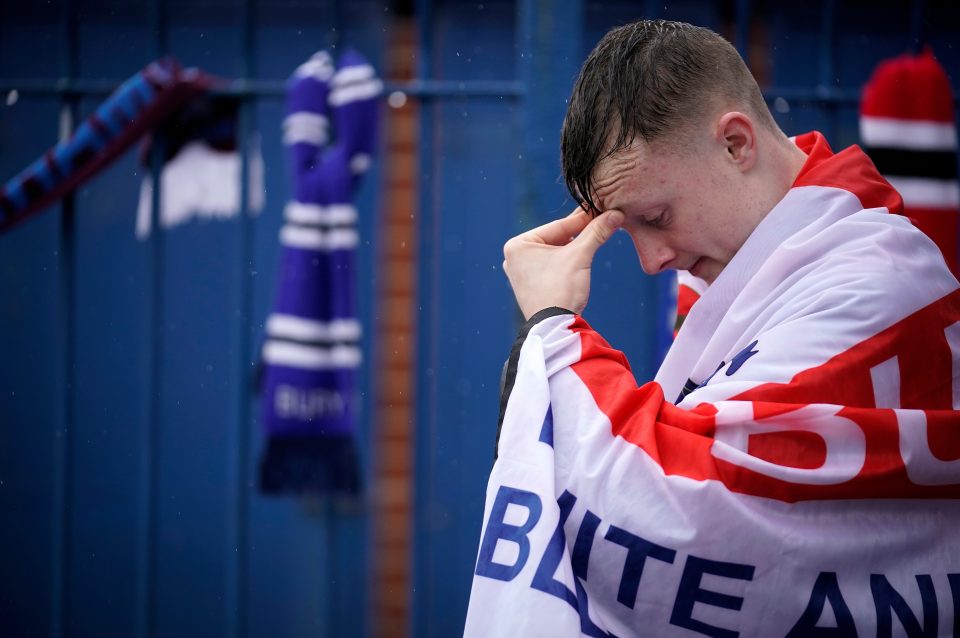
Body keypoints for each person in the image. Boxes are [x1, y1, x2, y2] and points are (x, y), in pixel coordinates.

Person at [466, 19, 960, 637]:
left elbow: (693, 509)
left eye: (657, 217)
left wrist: (553, 333)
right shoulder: (752, 270)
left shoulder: (875, 282)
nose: (651, 261)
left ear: (735, 144)